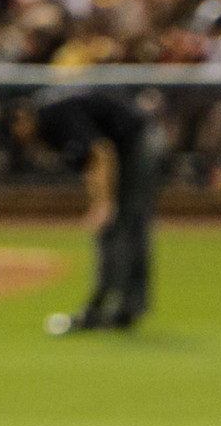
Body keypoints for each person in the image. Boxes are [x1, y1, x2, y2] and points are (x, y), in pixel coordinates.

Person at [33, 86, 157, 333]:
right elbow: (92, 164)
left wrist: (103, 205)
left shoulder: (53, 116)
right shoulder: (51, 120)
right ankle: (115, 307)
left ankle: (115, 307)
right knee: (121, 229)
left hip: (135, 147)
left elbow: (101, 153)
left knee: (123, 227)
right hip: (129, 147)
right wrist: (99, 202)